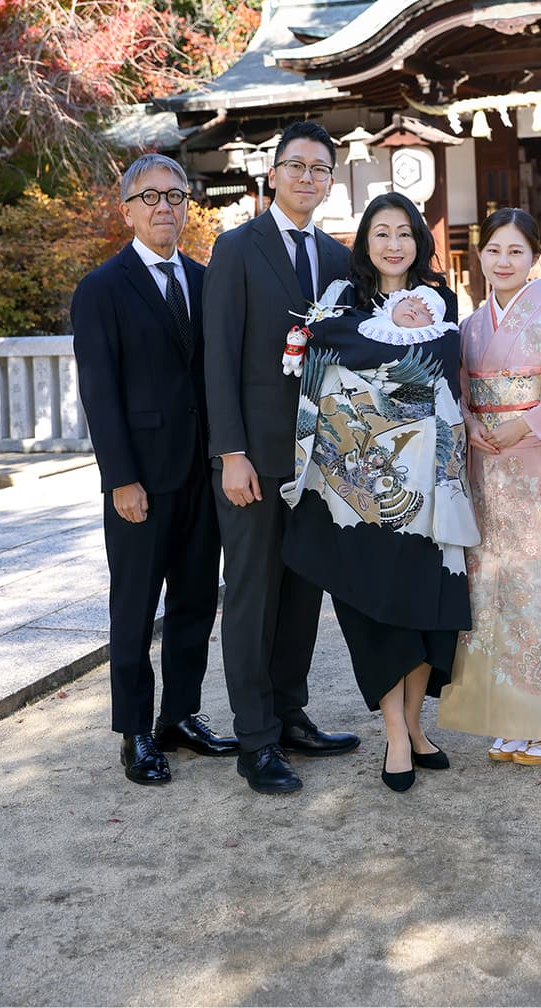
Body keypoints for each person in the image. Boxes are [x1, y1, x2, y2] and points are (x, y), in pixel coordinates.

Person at [279, 192, 475, 794]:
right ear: (365, 242)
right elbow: (328, 349)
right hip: (361, 494)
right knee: (376, 612)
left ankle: (416, 727)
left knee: (425, 613)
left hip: (430, 493)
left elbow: (443, 360)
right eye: (382, 233)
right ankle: (395, 733)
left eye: (405, 234)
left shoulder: (438, 300)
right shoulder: (343, 301)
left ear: (421, 241)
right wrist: (395, 357)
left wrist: (391, 357)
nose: (394, 245)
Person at [202, 121, 360, 795]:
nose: (306, 178)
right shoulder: (236, 249)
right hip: (255, 459)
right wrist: (231, 453)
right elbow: (218, 358)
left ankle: (292, 716)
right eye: (294, 166)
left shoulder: (337, 256)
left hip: (317, 460)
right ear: (273, 175)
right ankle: (256, 738)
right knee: (250, 596)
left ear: (330, 181)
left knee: (302, 594)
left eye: (319, 169)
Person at [71, 154, 239, 785]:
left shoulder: (205, 280)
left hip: (205, 471)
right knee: (136, 607)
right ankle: (135, 731)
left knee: (197, 602)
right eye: (150, 197)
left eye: (175, 195)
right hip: (141, 477)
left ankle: (180, 718)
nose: (165, 207)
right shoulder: (102, 289)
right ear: (128, 210)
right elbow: (100, 391)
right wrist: (120, 478)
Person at [437, 209, 541, 765]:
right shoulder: (470, 326)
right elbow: (457, 388)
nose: (503, 261)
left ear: (536, 258)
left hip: (539, 467)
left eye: (516, 251)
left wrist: (523, 423)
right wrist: (470, 421)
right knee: (494, 595)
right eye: (494, 250)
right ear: (480, 256)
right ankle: (512, 717)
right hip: (489, 468)